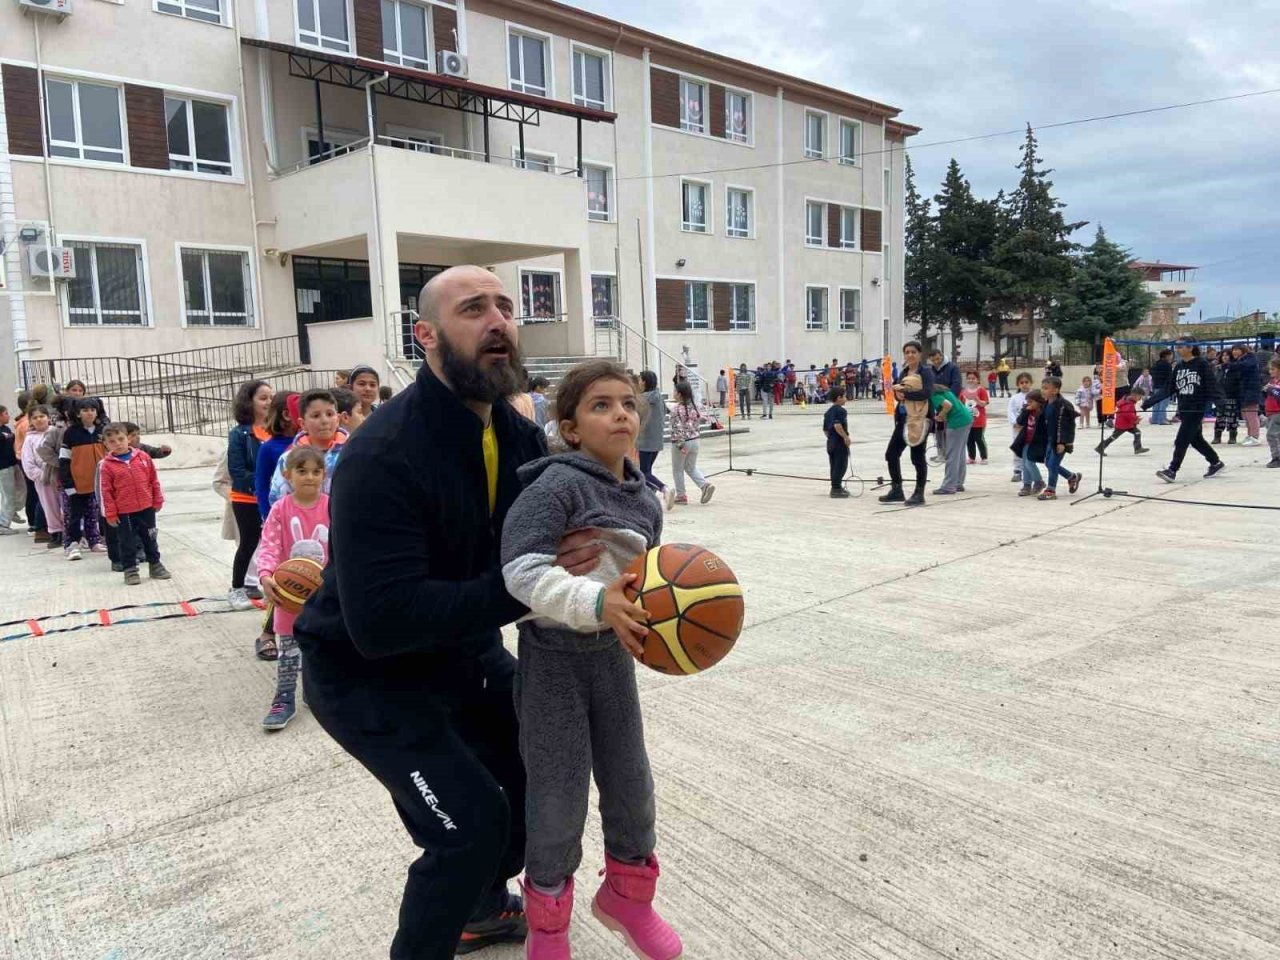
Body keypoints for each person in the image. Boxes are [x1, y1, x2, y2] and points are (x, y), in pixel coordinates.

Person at [294, 265, 600, 959]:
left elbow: (566, 523)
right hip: (365, 675)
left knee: (538, 784)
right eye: (473, 309)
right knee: (469, 828)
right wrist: (527, 585)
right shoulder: (384, 454)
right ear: (425, 335)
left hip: (461, 651)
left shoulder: (514, 436)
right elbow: (382, 621)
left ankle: (482, 911)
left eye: (505, 307)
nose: (497, 321)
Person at [498, 361, 682, 960]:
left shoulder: (646, 502)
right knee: (556, 797)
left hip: (612, 661)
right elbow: (521, 570)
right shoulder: (555, 487)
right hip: (552, 659)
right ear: (571, 428)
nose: (621, 413)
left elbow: (647, 583)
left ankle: (630, 896)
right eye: (601, 405)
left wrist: (671, 623)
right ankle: (548, 925)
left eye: (628, 403)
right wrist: (595, 601)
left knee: (632, 783)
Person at [258, 445, 330, 730]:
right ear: (288, 475)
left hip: (324, 594)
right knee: (289, 650)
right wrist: (266, 575)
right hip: (289, 596)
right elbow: (269, 546)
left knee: (320, 649)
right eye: (302, 471)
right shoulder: (280, 509)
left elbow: (341, 547)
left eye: (316, 471)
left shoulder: (332, 506)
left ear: (324, 474)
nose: (309, 477)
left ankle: (314, 693)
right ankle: (284, 698)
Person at [250, 391, 300, 660]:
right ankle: (268, 633)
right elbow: (262, 486)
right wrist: (269, 521)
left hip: (309, 523)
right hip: (280, 524)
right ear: (286, 415)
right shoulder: (270, 448)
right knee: (282, 580)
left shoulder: (306, 442)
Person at [1142, 339, 1225, 483]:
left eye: (1180, 347)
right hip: (1184, 408)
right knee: (1195, 440)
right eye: (1177, 347)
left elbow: (1212, 385)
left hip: (1196, 408)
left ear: (1190, 347)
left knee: (1181, 439)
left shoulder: (1201, 364)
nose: (1178, 349)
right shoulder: (1179, 366)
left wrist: (1220, 404)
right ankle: (1215, 462)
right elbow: (1169, 388)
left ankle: (1172, 470)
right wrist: (1148, 402)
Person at [99, 423, 170, 584]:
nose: (117, 443)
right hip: (124, 511)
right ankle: (130, 569)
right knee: (127, 541)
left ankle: (155, 565)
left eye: (120, 439)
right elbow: (106, 492)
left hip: (146, 507)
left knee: (150, 537)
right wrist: (110, 512)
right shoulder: (107, 466)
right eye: (112, 441)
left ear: (128, 439)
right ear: (105, 444)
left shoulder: (143, 457)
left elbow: (153, 480)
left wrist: (157, 499)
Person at [227, 380, 273, 611]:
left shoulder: (278, 430)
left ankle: (274, 589)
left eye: (271, 397)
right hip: (246, 498)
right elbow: (236, 470)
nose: (269, 402)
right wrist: (264, 484)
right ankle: (237, 588)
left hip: (274, 498)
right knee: (249, 542)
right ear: (249, 402)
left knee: (273, 545)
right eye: (263, 398)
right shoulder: (239, 434)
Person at [267, 389, 347, 507]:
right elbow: (278, 500)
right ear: (302, 423)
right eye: (316, 416)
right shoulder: (289, 458)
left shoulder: (351, 452)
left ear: (338, 418)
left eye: (330, 414)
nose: (324, 421)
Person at [880, 342, 934, 506]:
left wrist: (907, 394)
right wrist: (898, 395)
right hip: (903, 418)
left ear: (919, 354)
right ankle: (897, 490)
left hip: (919, 418)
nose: (910, 355)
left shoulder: (926, 372)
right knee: (891, 454)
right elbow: (898, 392)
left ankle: (919, 493)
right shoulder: (903, 372)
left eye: (913, 352)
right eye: (907, 352)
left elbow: (927, 392)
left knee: (917, 457)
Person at [57, 398, 107, 560]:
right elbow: (64, 461)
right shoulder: (71, 433)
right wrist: (68, 484)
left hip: (97, 483)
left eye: (93, 409)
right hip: (77, 484)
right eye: (85, 410)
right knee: (75, 516)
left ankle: (94, 541)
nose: (89, 413)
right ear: (78, 413)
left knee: (93, 514)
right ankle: (72, 544)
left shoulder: (103, 431)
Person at [21, 405, 62, 548]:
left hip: (62, 475)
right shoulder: (30, 439)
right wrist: (41, 475)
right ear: (30, 421)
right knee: (50, 505)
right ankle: (56, 532)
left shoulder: (57, 432)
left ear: (48, 417)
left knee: (67, 505)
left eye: (42, 416)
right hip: (44, 478)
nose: (39, 420)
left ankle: (73, 533)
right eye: (35, 417)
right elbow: (28, 462)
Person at [669, 380, 715, 505]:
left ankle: (681, 495)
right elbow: (704, 419)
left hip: (682, 442)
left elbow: (676, 428)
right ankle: (704, 485)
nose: (673, 393)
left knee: (677, 469)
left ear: (679, 394)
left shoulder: (676, 409)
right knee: (690, 467)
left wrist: (680, 445)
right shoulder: (695, 406)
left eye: (674, 391)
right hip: (695, 440)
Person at [1037, 376, 1082, 500]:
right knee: (1049, 463)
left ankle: (1051, 490)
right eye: (1042, 387)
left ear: (1055, 390)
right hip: (1050, 440)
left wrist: (1061, 442)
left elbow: (1064, 426)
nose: (1043, 390)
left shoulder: (1063, 405)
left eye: (1046, 388)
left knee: (1052, 464)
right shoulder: (1046, 404)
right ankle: (1072, 477)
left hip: (1061, 441)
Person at [636, 371, 675, 510]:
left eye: (640, 380)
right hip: (657, 441)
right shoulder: (658, 397)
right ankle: (648, 495)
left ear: (645, 382)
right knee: (647, 471)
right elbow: (666, 412)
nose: (638, 383)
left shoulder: (641, 399)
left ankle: (664, 489)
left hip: (645, 442)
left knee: (643, 472)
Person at [929, 383, 973, 495]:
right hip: (966, 418)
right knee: (959, 453)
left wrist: (941, 415)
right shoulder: (941, 389)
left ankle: (949, 486)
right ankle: (958, 483)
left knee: (952, 455)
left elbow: (947, 405)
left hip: (956, 423)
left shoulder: (933, 394)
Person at [928, 349, 962, 463]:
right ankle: (940, 453)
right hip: (937, 404)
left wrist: (949, 401)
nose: (936, 362)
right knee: (938, 429)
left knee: (949, 430)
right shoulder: (931, 369)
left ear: (942, 356)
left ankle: (950, 454)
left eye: (937, 359)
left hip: (950, 403)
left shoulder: (952, 367)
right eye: (933, 360)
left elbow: (956, 385)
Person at [1095, 388, 1150, 456]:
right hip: (1122, 425)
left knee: (1137, 432)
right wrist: (1135, 419)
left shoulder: (1128, 401)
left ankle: (1138, 448)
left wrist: (1134, 419)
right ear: (1134, 395)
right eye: (1140, 397)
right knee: (1113, 437)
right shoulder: (1128, 403)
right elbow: (1127, 413)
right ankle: (1100, 447)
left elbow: (1128, 413)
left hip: (1127, 424)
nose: (1140, 399)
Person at [1011, 389, 1047, 497]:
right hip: (1026, 440)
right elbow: (1019, 421)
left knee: (1029, 463)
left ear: (1039, 402)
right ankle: (1026, 485)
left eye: (1031, 402)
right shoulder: (1027, 411)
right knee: (1025, 464)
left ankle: (1039, 481)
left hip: (1037, 442)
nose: (1029, 404)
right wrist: (1026, 411)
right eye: (1028, 402)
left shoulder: (1043, 412)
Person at [1228, 345, 1262, 446]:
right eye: (1233, 350)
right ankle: (1250, 435)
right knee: (1246, 414)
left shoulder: (1250, 358)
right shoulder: (1240, 360)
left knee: (1252, 414)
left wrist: (1229, 365)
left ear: (1243, 350)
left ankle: (1255, 436)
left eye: (1237, 349)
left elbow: (1243, 365)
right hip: (1244, 390)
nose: (1234, 352)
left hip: (1251, 390)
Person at [824, 387, 852, 498]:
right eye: (844, 396)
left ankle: (836, 486)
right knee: (841, 465)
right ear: (839, 398)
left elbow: (825, 430)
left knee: (834, 465)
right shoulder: (841, 410)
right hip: (839, 443)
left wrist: (831, 438)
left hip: (830, 442)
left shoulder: (828, 412)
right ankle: (836, 489)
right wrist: (845, 437)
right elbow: (837, 425)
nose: (846, 399)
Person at [960, 370, 990, 464]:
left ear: (978, 380)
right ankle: (971, 457)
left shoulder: (981, 390)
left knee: (979, 439)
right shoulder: (963, 391)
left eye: (973, 378)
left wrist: (977, 400)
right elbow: (961, 404)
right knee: (969, 440)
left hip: (979, 420)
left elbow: (984, 404)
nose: (971, 380)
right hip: (967, 421)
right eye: (969, 378)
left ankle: (984, 457)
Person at [1008, 372, 1033, 483]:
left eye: (1026, 382)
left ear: (1031, 383)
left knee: (1029, 450)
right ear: (1018, 384)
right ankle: (1017, 471)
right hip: (1018, 429)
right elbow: (1010, 411)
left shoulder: (1035, 396)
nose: (1024, 385)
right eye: (1022, 382)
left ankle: (1030, 471)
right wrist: (1015, 423)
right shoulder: (1014, 398)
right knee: (1018, 449)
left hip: (1030, 429)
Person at [0, 406, 21, 535]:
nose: (8, 416)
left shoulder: (6, 429)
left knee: (20, 491)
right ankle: (3, 524)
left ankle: (11, 511)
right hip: (3, 467)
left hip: (13, 464)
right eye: (6, 414)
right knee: (8, 495)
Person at [1149, 349, 1175, 425]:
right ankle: (1161, 419)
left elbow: (1152, 375)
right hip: (1164, 387)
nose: (1171, 357)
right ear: (1166, 356)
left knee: (1156, 403)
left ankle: (1155, 419)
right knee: (1163, 404)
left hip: (1156, 386)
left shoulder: (1156, 364)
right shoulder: (1167, 365)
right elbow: (1170, 377)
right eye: (1170, 355)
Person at [1264, 357, 1280, 467]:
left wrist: (1271, 389)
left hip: (1277, 412)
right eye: (1270, 369)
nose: (1270, 371)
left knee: (1271, 435)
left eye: (1273, 369)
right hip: (1270, 412)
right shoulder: (1273, 381)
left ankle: (1276, 458)